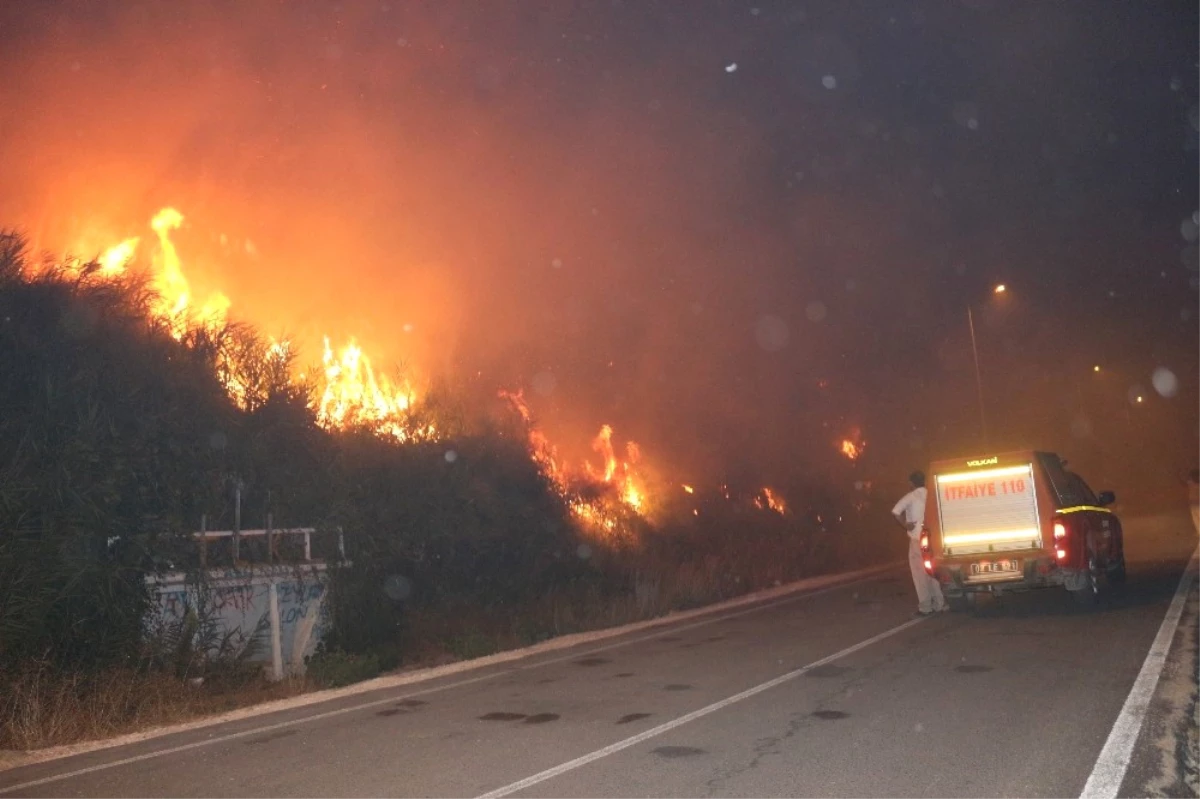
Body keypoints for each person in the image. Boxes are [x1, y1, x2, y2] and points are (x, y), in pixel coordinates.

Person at [893, 470, 946, 616]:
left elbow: (896, 511)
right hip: (933, 541)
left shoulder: (911, 496)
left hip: (917, 540)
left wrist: (906, 525)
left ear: (911, 483)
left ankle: (925, 606)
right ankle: (939, 603)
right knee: (932, 571)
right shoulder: (932, 495)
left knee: (919, 574)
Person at [1188, 469, 1200, 538]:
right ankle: (1199, 532)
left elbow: (1182, 483)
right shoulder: (1191, 483)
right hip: (1193, 504)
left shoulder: (1192, 483)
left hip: (1196, 504)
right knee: (1196, 519)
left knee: (1196, 519)